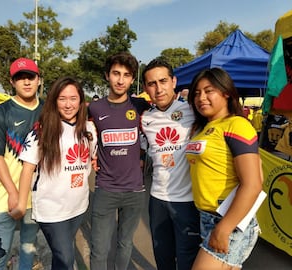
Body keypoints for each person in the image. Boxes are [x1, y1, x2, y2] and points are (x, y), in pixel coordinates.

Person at [9, 76, 97, 270]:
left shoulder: (89, 130)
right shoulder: (42, 131)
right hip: (51, 210)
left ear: (81, 101)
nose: (68, 104)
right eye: (62, 98)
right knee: (66, 256)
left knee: (60, 258)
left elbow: (92, 159)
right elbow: (28, 169)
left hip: (78, 206)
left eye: (73, 98)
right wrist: (21, 204)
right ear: (54, 101)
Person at [185, 67, 263, 270]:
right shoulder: (202, 128)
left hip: (228, 220)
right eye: (197, 93)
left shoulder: (236, 125)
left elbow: (253, 184)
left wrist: (225, 228)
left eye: (209, 90)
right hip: (207, 217)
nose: (201, 97)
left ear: (226, 92)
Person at [88, 52, 150, 270]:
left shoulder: (141, 106)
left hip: (135, 191)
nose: (121, 80)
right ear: (107, 75)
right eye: (116, 73)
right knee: (99, 248)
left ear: (133, 79)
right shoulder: (94, 109)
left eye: (126, 75)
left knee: (125, 244)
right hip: (105, 189)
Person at [0, 57, 43, 270]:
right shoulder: (2, 111)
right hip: (5, 196)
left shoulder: (48, 111)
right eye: (20, 77)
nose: (26, 82)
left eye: (31, 77)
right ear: (12, 82)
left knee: (28, 250)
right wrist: (13, 192)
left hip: (36, 197)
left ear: (39, 80)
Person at [141, 58, 200, 270]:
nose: (158, 88)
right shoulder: (145, 118)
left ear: (174, 81)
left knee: (187, 261)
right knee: (163, 259)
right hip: (157, 200)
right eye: (152, 84)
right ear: (146, 88)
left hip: (187, 201)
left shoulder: (195, 111)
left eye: (163, 81)